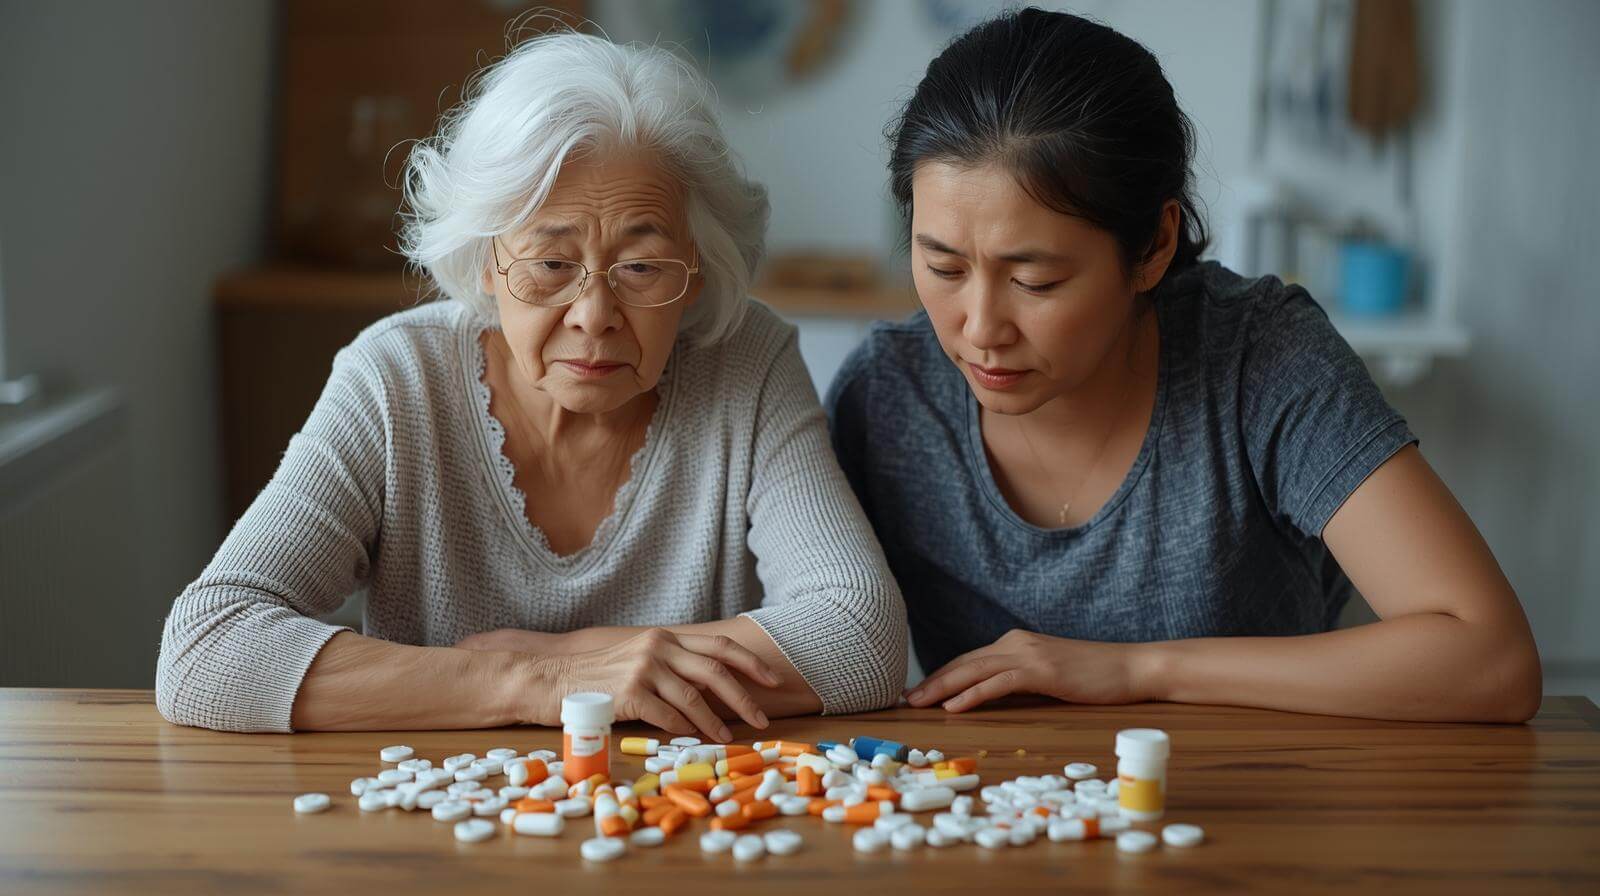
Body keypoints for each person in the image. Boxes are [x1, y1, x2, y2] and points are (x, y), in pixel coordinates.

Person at [156, 31, 906, 737]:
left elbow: (859, 633)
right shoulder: (395, 380)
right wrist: (533, 680)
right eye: (551, 265)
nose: (595, 315)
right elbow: (208, 649)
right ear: (486, 262)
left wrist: (589, 655)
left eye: (642, 269)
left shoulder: (746, 363)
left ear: (696, 270)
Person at [827, 8, 1540, 723]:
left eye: (1035, 281)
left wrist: (1137, 669)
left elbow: (1491, 659)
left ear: (1154, 247)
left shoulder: (1261, 359)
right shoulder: (888, 398)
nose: (980, 329)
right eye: (943, 266)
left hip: (1259, 806)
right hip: (996, 814)